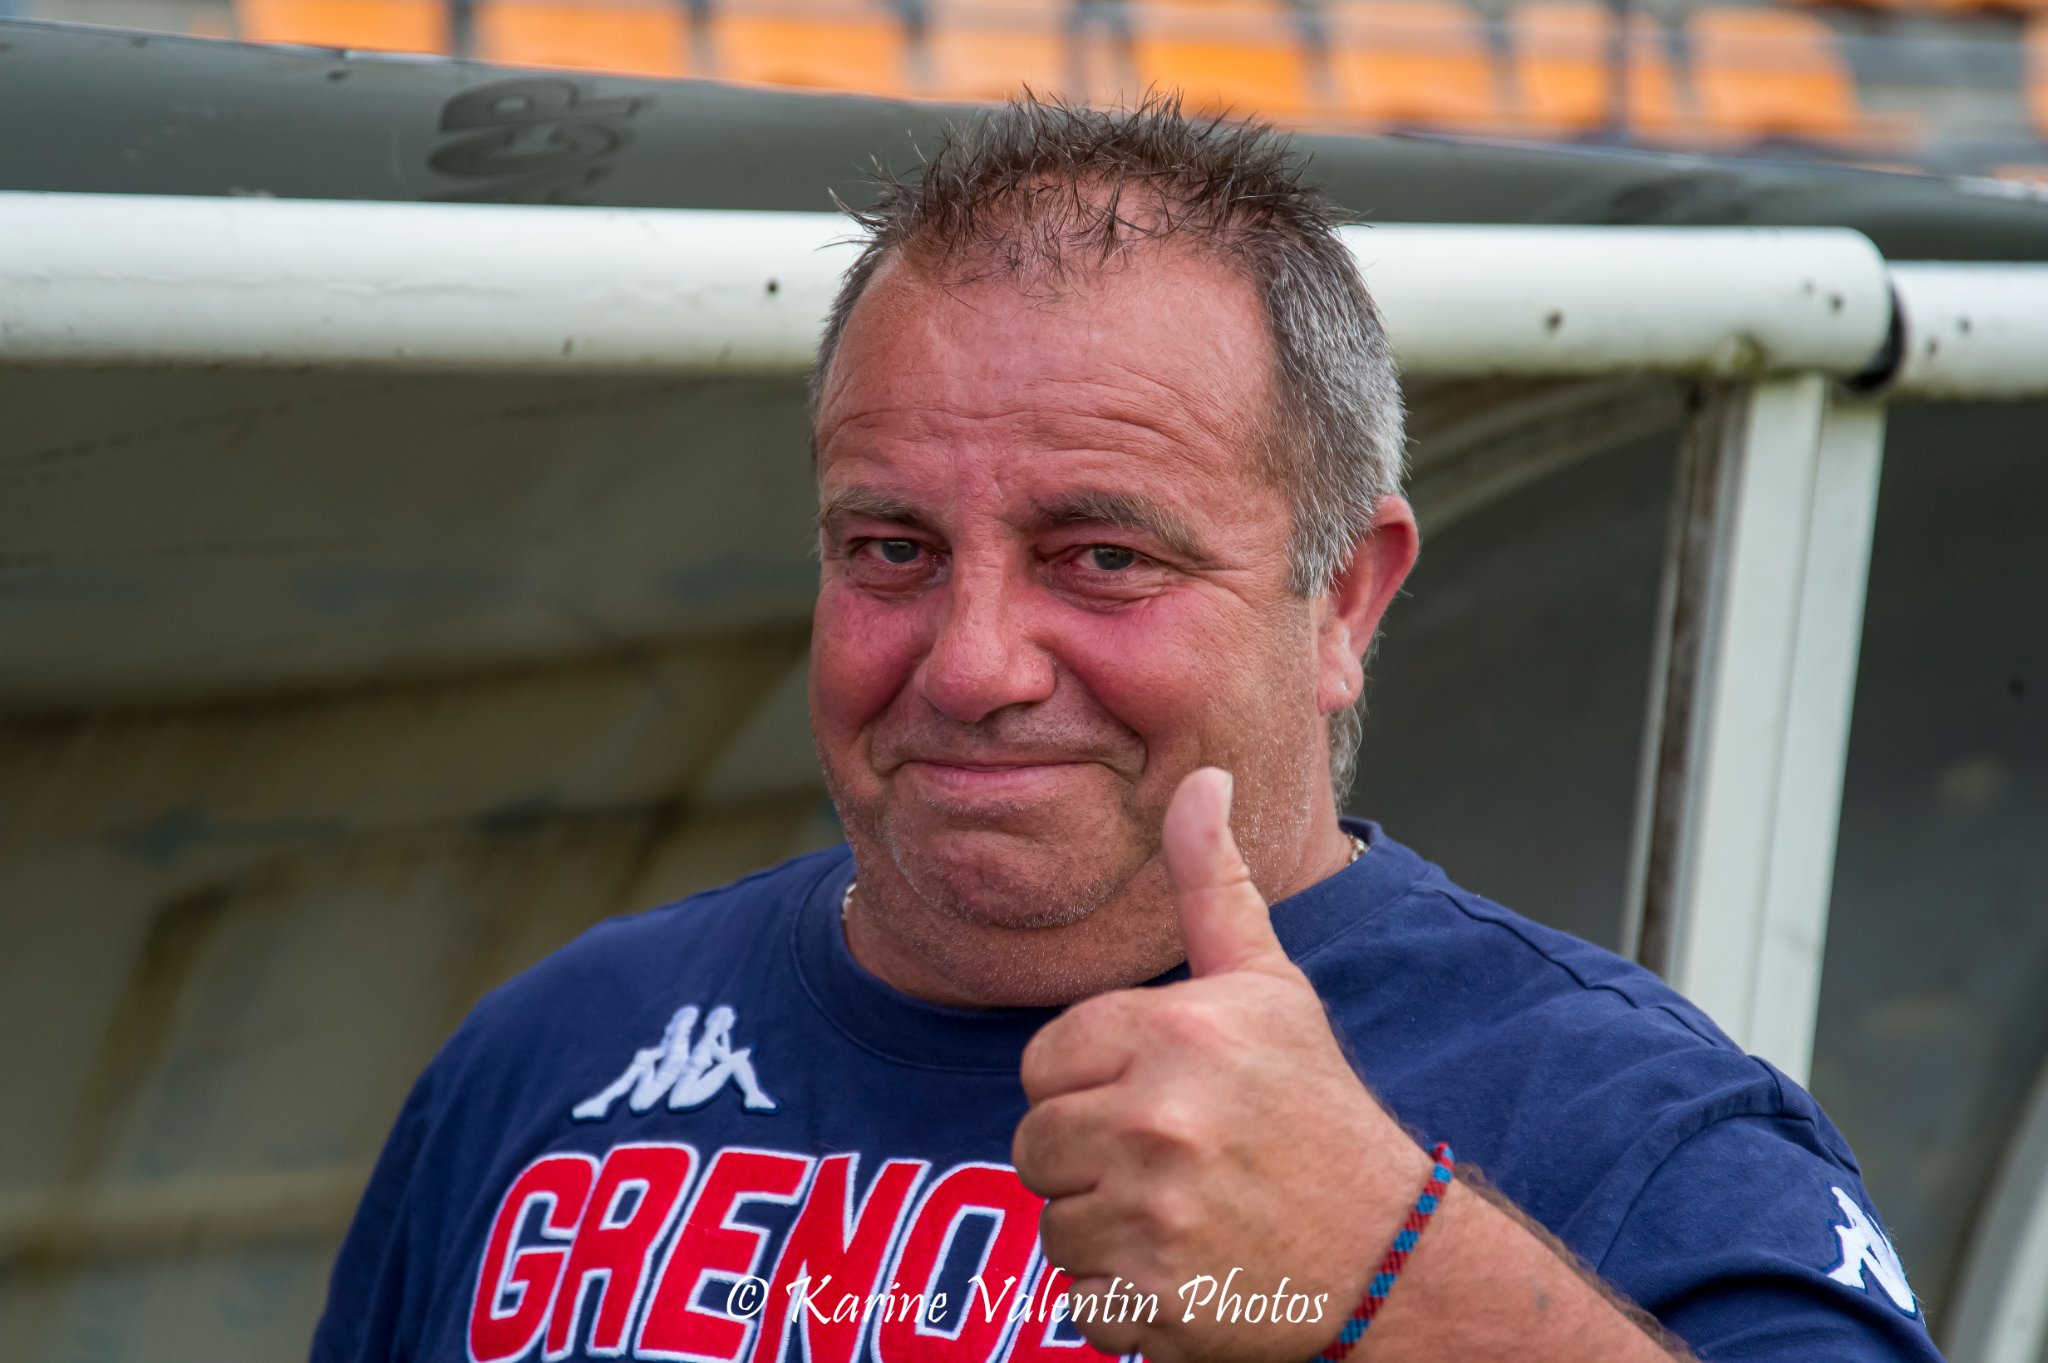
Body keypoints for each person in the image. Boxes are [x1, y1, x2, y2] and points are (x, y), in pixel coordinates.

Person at [313, 95, 1942, 1363]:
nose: (971, 663)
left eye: (1104, 556)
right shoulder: (552, 1058)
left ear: (1345, 604)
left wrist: (1399, 1278)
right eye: (892, 549)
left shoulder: (1626, 1133)